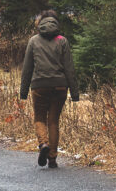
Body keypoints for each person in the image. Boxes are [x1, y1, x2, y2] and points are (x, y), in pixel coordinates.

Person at [19, 10, 79, 169]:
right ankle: (52, 158)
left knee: (39, 118)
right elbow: (69, 69)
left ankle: (43, 144)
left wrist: (23, 92)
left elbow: (27, 69)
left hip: (39, 86)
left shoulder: (33, 41)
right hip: (60, 86)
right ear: (55, 23)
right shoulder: (62, 41)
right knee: (53, 121)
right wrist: (74, 93)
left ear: (40, 24)